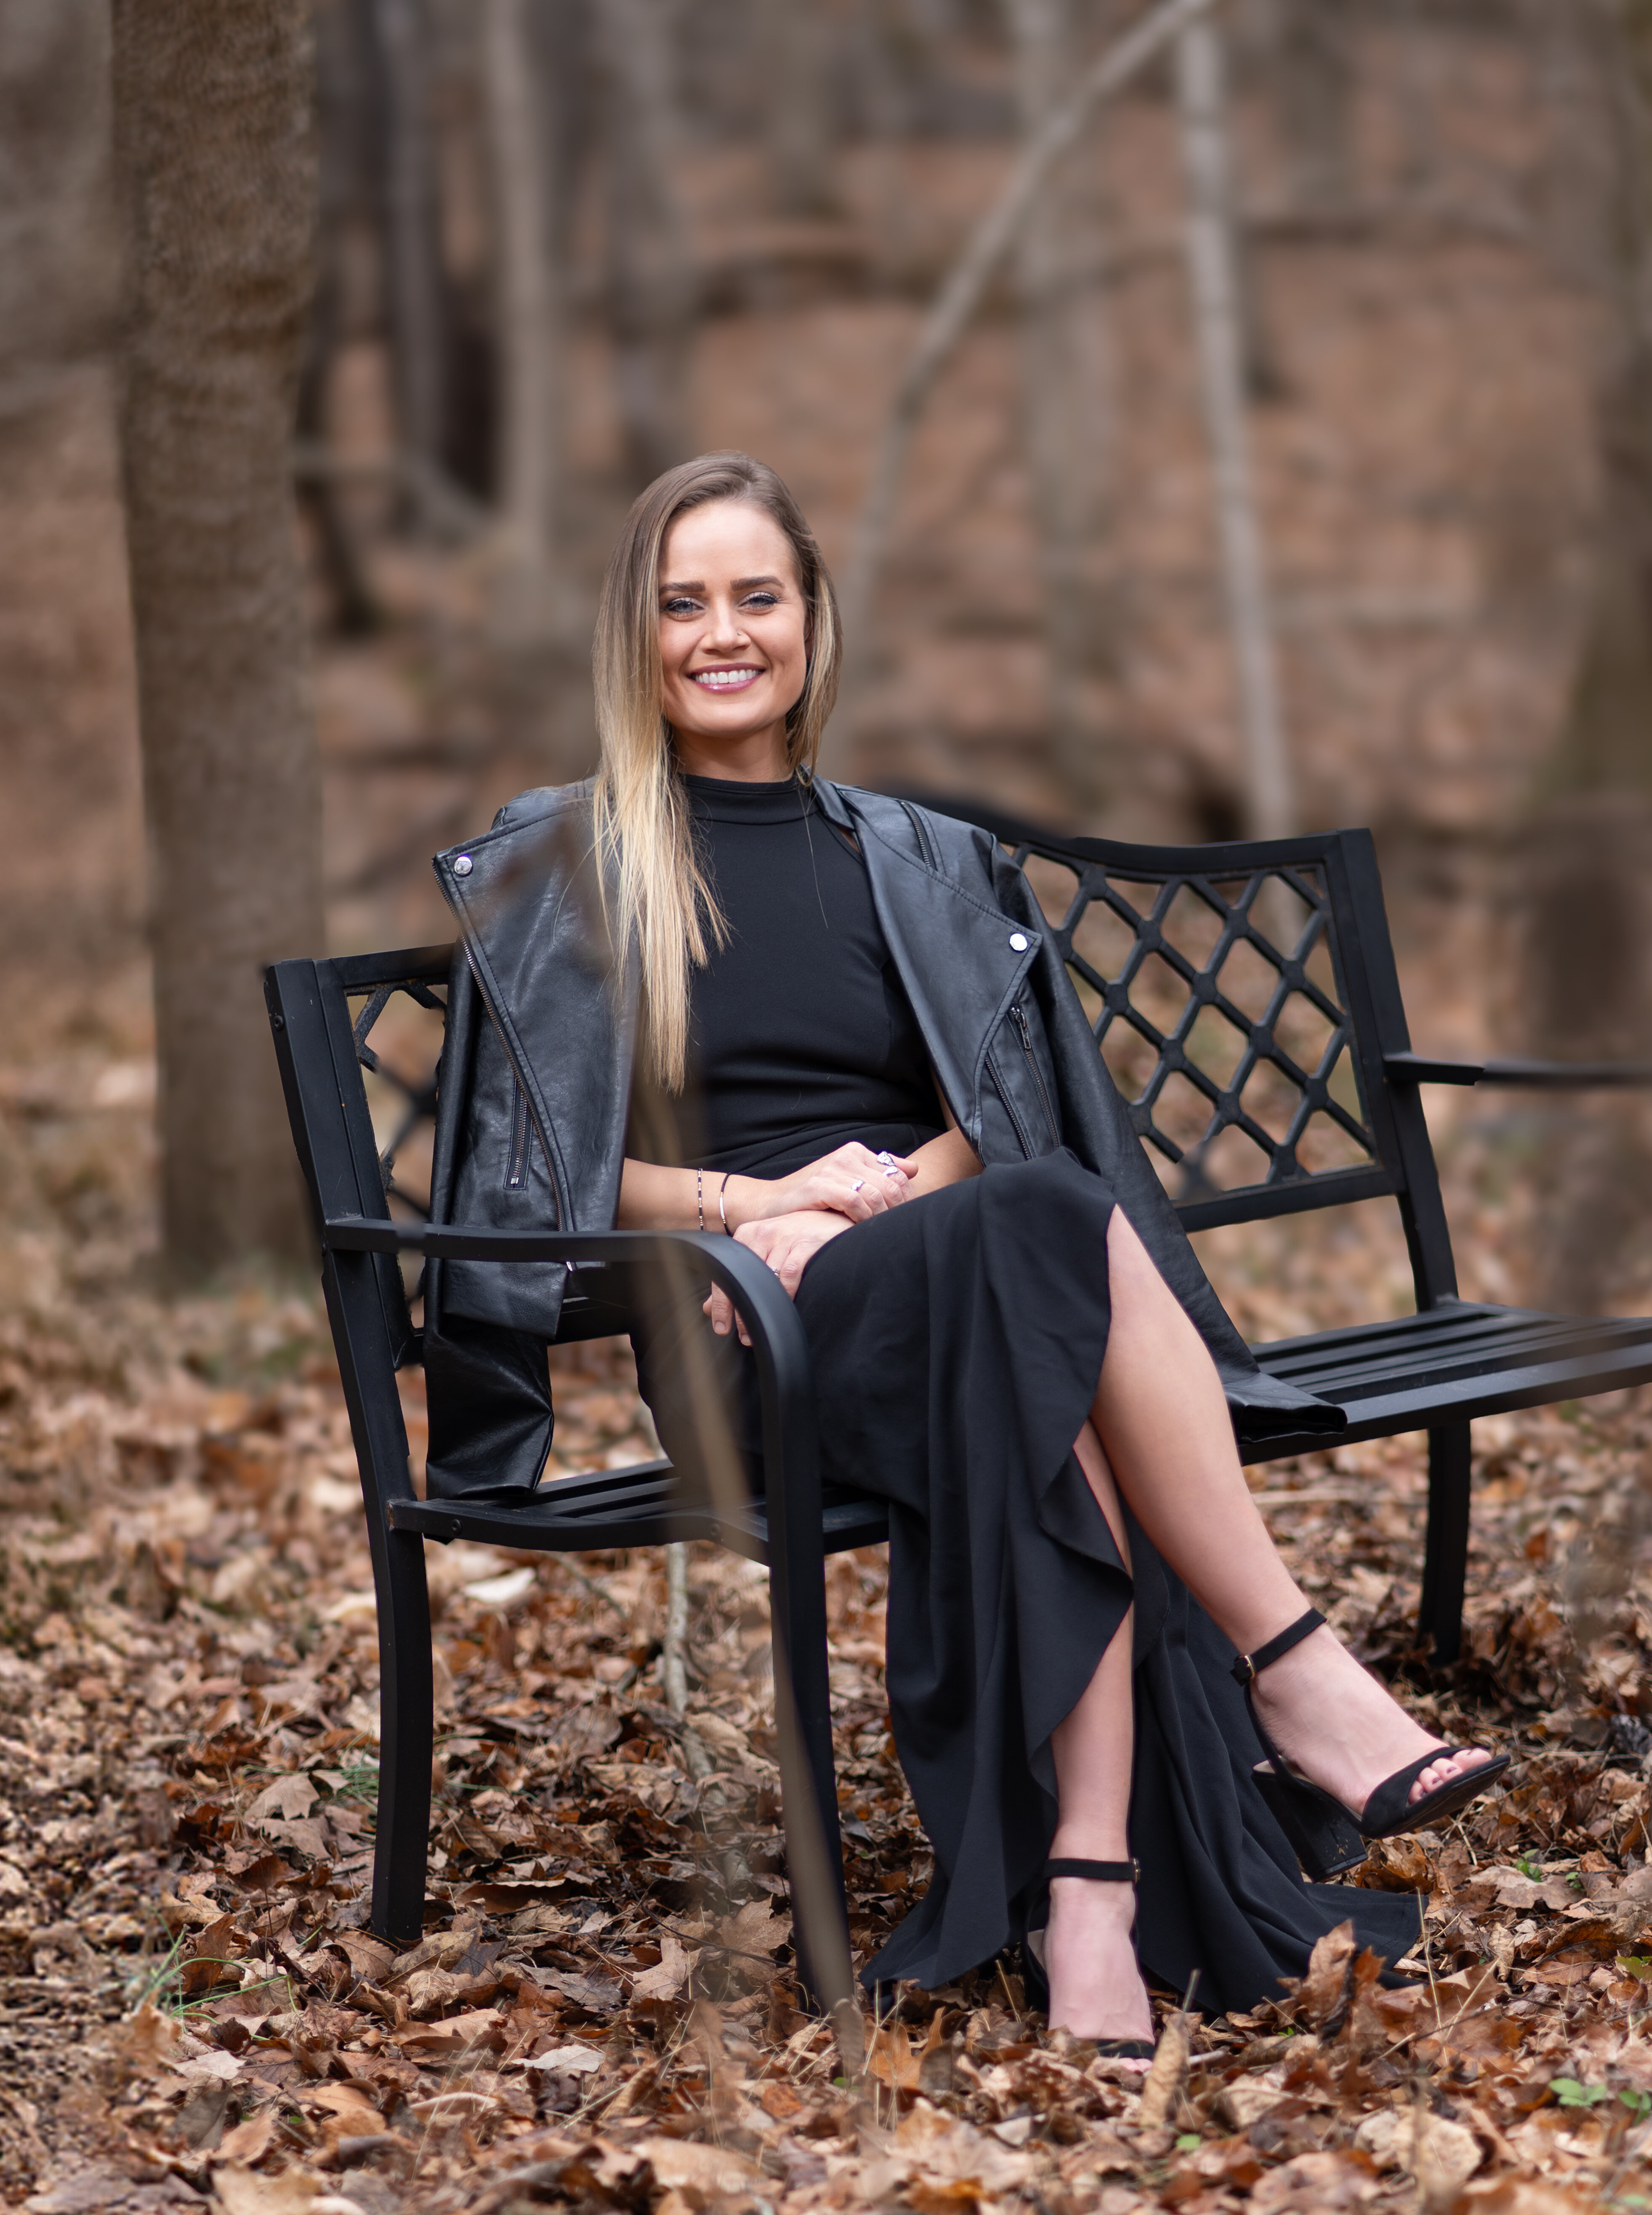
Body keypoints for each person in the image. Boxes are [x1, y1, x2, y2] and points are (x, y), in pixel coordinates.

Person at [421, 452, 1508, 2056]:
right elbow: (532, 1178)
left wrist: (869, 1189)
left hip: (934, 1263)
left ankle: (1092, 1899)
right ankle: (1291, 1670)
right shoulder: (564, 860)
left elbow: (999, 1122)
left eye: (756, 597)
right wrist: (751, 1209)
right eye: (682, 604)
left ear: (812, 619)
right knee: (1049, 1257)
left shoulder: (910, 858)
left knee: (1035, 1287)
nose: (724, 633)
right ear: (633, 637)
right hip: (744, 1334)